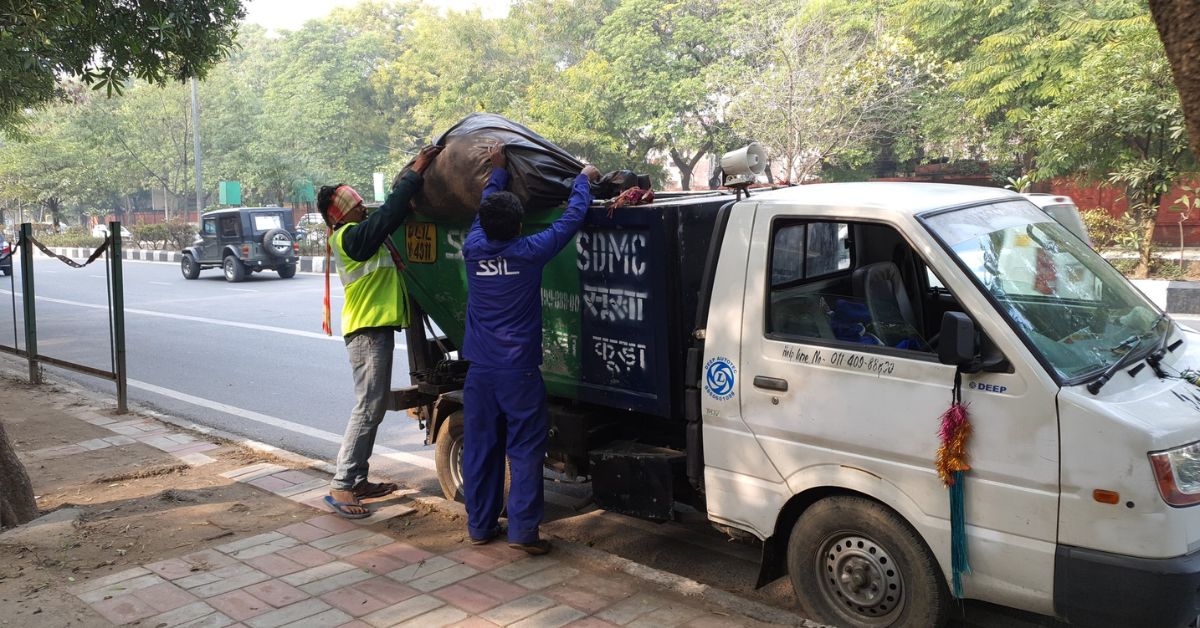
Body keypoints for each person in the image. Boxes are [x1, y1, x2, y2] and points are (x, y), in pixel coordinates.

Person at [461, 144, 601, 554]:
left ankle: (480, 528)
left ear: (484, 227)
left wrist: (498, 171)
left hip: (480, 373)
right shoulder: (530, 253)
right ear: (520, 227)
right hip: (519, 373)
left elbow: (485, 207)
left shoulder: (472, 249)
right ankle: (522, 533)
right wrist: (583, 181)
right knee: (523, 451)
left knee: (482, 450)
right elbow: (572, 219)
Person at [317, 144, 441, 519]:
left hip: (375, 329)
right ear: (343, 212)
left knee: (371, 407)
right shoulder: (351, 237)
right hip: (367, 331)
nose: (361, 205)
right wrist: (415, 173)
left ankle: (357, 480)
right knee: (368, 406)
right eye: (354, 203)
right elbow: (388, 215)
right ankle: (342, 485)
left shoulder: (359, 233)